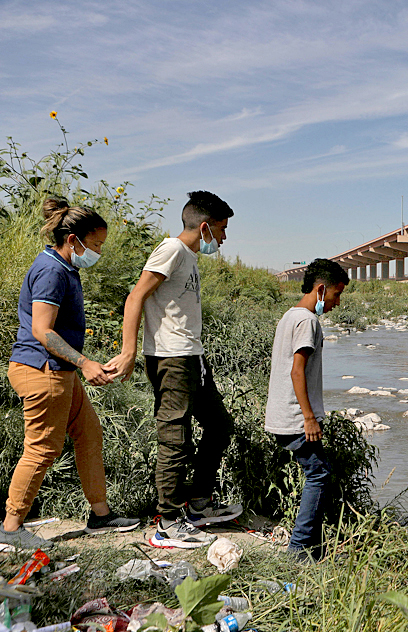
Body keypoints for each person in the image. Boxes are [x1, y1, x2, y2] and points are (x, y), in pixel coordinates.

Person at [2, 199, 139, 551]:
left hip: (58, 372)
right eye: (95, 245)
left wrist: (79, 366)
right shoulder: (51, 271)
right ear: (73, 239)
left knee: (89, 434)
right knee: (41, 449)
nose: (98, 252)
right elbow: (42, 330)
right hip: (42, 371)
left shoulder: (65, 267)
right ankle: (11, 526)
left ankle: (100, 515)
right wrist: (85, 363)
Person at [110, 191, 240, 549]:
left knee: (219, 425)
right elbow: (136, 296)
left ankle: (198, 505)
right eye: (222, 229)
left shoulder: (190, 257)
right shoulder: (171, 250)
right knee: (175, 439)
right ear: (205, 227)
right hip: (171, 358)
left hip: (191, 357)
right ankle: (167, 523)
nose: (224, 238)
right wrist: (128, 351)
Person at [265, 259, 349, 561]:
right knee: (319, 474)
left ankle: (310, 546)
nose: (337, 303)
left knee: (317, 471)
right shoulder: (307, 322)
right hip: (294, 417)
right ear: (322, 289)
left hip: (280, 415)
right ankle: (299, 550)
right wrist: (309, 417)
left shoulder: (289, 316)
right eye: (337, 295)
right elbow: (297, 370)